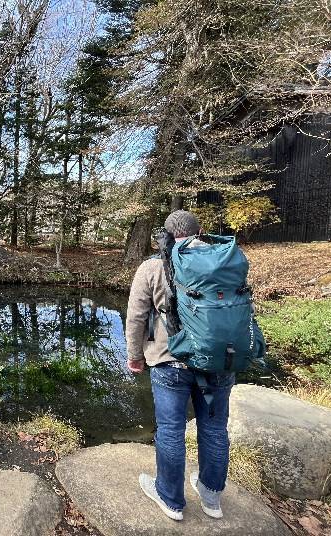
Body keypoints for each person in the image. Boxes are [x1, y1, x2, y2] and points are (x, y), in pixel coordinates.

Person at [126, 210, 235, 521]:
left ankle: (171, 499)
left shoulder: (152, 267)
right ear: (199, 232)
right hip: (220, 360)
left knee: (171, 430)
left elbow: (136, 318)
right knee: (215, 429)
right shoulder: (225, 261)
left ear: (167, 235)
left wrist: (135, 355)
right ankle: (211, 499)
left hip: (169, 361)